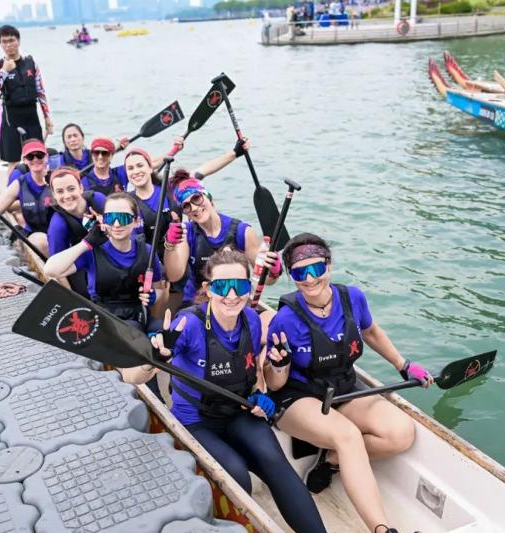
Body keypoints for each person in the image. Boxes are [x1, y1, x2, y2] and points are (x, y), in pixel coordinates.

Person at [122, 248, 326, 533]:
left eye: (239, 286)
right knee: (237, 478)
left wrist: (262, 392)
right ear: (208, 289)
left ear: (249, 289)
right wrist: (154, 359)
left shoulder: (251, 320)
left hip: (237, 413)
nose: (231, 295)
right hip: (195, 421)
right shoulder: (187, 324)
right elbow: (131, 377)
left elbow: (256, 374)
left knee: (276, 463)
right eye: (222, 287)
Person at [264, 233, 432, 533]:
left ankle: (330, 461)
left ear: (329, 265)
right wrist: (277, 365)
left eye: (316, 268)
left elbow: (371, 332)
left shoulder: (353, 298)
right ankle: (382, 529)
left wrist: (404, 365)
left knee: (401, 434)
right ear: (291, 276)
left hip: (342, 388)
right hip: (298, 397)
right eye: (300, 273)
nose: (310, 279)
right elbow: (274, 385)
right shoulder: (285, 320)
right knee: (349, 436)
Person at [162, 145, 282, 308]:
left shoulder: (242, 231)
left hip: (233, 299)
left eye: (196, 199)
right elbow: (174, 276)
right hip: (197, 303)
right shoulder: (186, 232)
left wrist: (273, 270)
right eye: (187, 206)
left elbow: (267, 280)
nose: (194, 208)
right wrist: (170, 245)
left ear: (209, 198)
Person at [43, 192, 165, 332]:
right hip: (102, 321)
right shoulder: (92, 250)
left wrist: (153, 296)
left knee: (160, 329)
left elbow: (159, 288)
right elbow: (50, 270)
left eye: (124, 218)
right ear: (103, 220)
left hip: (138, 317)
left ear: (136, 222)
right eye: (110, 218)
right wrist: (85, 243)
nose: (116, 224)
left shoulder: (148, 251)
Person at [0, 25, 53, 168]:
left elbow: (40, 92)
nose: (8, 45)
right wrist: (4, 71)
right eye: (4, 42)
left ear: (18, 41)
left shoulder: (31, 63)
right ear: (0, 44)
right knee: (14, 162)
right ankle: (12, 182)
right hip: (11, 119)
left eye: (11, 40)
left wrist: (47, 117)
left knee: (37, 158)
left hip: (31, 117)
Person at [46, 166, 106, 294]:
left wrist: (104, 222)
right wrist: (70, 296)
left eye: (71, 189)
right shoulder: (58, 225)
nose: (67, 196)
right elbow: (58, 269)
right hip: (80, 263)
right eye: (60, 191)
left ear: (81, 188)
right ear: (54, 195)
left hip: (108, 253)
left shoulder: (98, 200)